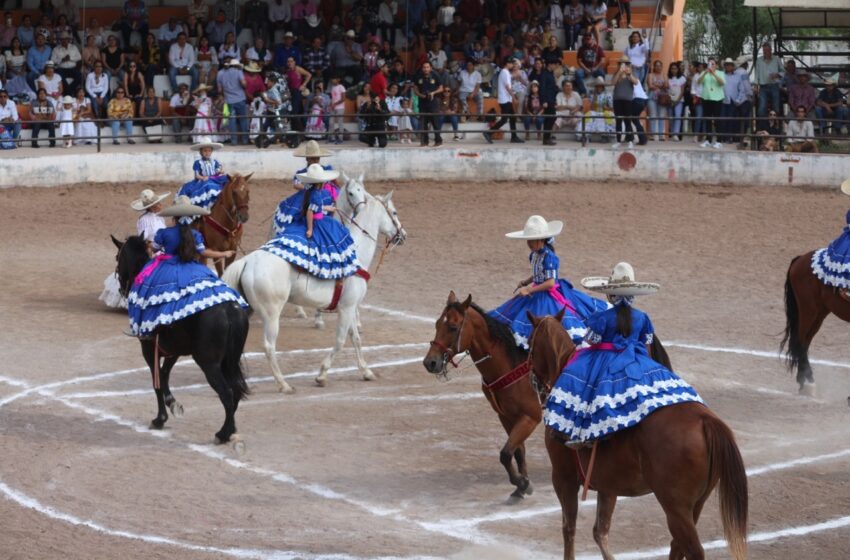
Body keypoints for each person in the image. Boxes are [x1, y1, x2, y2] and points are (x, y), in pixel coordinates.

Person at [543, 262, 702, 445]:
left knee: (578, 380)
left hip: (604, 359)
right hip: (635, 358)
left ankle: (577, 431)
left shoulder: (602, 318)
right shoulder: (642, 318)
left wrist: (580, 347)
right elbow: (647, 345)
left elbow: (591, 341)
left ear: (611, 294)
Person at [127, 196, 245, 338]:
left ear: (174, 217)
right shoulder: (194, 234)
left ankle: (147, 327)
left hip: (167, 267)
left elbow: (154, 248)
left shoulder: (165, 233)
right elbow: (204, 252)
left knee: (147, 290)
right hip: (192, 267)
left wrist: (148, 245)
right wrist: (224, 253)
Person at [489, 215, 609, 349]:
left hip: (547, 295)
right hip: (538, 290)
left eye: (531, 240)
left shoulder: (550, 257)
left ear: (540, 239)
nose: (528, 243)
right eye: (528, 240)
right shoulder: (534, 255)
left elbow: (550, 283)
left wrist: (529, 289)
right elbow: (538, 274)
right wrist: (526, 282)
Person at [261, 164, 359, 280]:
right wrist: (310, 229)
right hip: (317, 222)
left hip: (318, 217)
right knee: (330, 240)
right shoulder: (317, 195)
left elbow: (316, 207)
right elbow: (310, 212)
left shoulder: (310, 191)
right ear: (321, 183)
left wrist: (327, 208)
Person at [271, 140, 336, 235]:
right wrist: (310, 186)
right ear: (307, 159)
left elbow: (334, 183)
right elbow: (296, 184)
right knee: (298, 212)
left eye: (316, 159)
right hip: (306, 195)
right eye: (312, 159)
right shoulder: (302, 172)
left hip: (322, 194)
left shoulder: (325, 170)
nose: (315, 161)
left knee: (333, 206)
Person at [177, 139, 229, 210]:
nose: (207, 153)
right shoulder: (198, 162)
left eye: (209, 151)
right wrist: (203, 178)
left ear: (211, 151)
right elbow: (197, 175)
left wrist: (220, 171)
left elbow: (218, 170)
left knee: (226, 179)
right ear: (200, 152)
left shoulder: (214, 161)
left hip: (213, 178)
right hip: (203, 180)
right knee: (207, 185)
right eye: (205, 151)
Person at [484, 57, 523, 144]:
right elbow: (508, 87)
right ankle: (488, 133)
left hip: (505, 99)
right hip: (505, 100)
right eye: (511, 63)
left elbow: (511, 77)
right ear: (507, 64)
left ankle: (514, 137)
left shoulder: (505, 72)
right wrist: (514, 98)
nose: (512, 65)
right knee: (505, 119)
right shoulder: (505, 72)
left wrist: (516, 73)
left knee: (512, 118)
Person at [216, 59, 248, 145]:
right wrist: (244, 86)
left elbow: (220, 89)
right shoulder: (239, 72)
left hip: (228, 101)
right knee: (243, 120)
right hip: (240, 99)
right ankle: (245, 140)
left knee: (231, 120)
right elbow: (244, 84)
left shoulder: (222, 74)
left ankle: (234, 141)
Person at [414, 60, 444, 147]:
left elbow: (441, 88)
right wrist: (420, 95)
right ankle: (424, 141)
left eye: (427, 67)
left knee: (435, 122)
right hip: (422, 102)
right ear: (422, 68)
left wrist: (433, 93)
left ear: (430, 68)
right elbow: (415, 88)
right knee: (423, 123)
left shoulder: (435, 75)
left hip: (433, 102)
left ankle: (438, 141)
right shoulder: (418, 76)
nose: (426, 69)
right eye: (424, 67)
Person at [697, 56, 724, 149]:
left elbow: (722, 83)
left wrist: (714, 74)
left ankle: (719, 141)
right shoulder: (704, 73)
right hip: (706, 98)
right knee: (707, 120)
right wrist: (705, 72)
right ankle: (708, 140)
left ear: (716, 65)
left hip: (717, 99)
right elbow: (698, 82)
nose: (711, 65)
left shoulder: (720, 73)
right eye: (709, 63)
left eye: (713, 64)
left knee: (718, 121)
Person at [610, 55, 637, 149]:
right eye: (622, 63)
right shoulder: (616, 73)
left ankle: (630, 141)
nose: (624, 65)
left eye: (626, 63)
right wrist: (619, 72)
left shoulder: (631, 73)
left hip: (628, 100)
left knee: (628, 121)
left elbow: (636, 82)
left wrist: (629, 74)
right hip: (617, 100)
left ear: (628, 64)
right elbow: (613, 83)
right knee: (618, 120)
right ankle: (618, 141)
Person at [754, 42, 781, 123]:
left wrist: (777, 74)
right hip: (763, 86)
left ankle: (776, 128)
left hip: (774, 85)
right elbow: (757, 74)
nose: (766, 52)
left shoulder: (776, 59)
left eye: (767, 50)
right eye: (764, 50)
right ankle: (763, 127)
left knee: (776, 108)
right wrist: (756, 85)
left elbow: (783, 71)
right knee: (761, 108)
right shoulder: (759, 60)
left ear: (771, 50)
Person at [582, 76, 614, 141]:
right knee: (587, 116)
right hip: (595, 112)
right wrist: (594, 97)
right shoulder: (592, 94)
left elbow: (612, 108)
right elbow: (590, 107)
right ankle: (586, 135)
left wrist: (606, 108)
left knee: (608, 116)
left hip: (604, 112)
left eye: (600, 86)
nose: (599, 88)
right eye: (597, 86)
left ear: (603, 87)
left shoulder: (608, 94)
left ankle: (605, 135)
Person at [646, 60, 669, 141]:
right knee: (652, 115)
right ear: (654, 66)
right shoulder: (650, 75)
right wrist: (661, 85)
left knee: (661, 116)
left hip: (662, 98)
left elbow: (666, 85)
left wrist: (655, 85)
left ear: (662, 67)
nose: (658, 67)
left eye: (660, 65)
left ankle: (661, 135)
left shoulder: (664, 75)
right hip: (652, 97)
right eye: (656, 65)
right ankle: (652, 134)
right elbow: (650, 86)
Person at [667, 62, 687, 141]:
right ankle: (672, 132)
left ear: (678, 69)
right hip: (670, 100)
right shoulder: (668, 78)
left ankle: (676, 134)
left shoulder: (682, 78)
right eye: (672, 68)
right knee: (671, 117)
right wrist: (670, 99)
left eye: (675, 68)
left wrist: (677, 100)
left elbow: (682, 91)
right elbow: (667, 90)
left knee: (678, 116)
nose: (673, 70)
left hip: (679, 100)